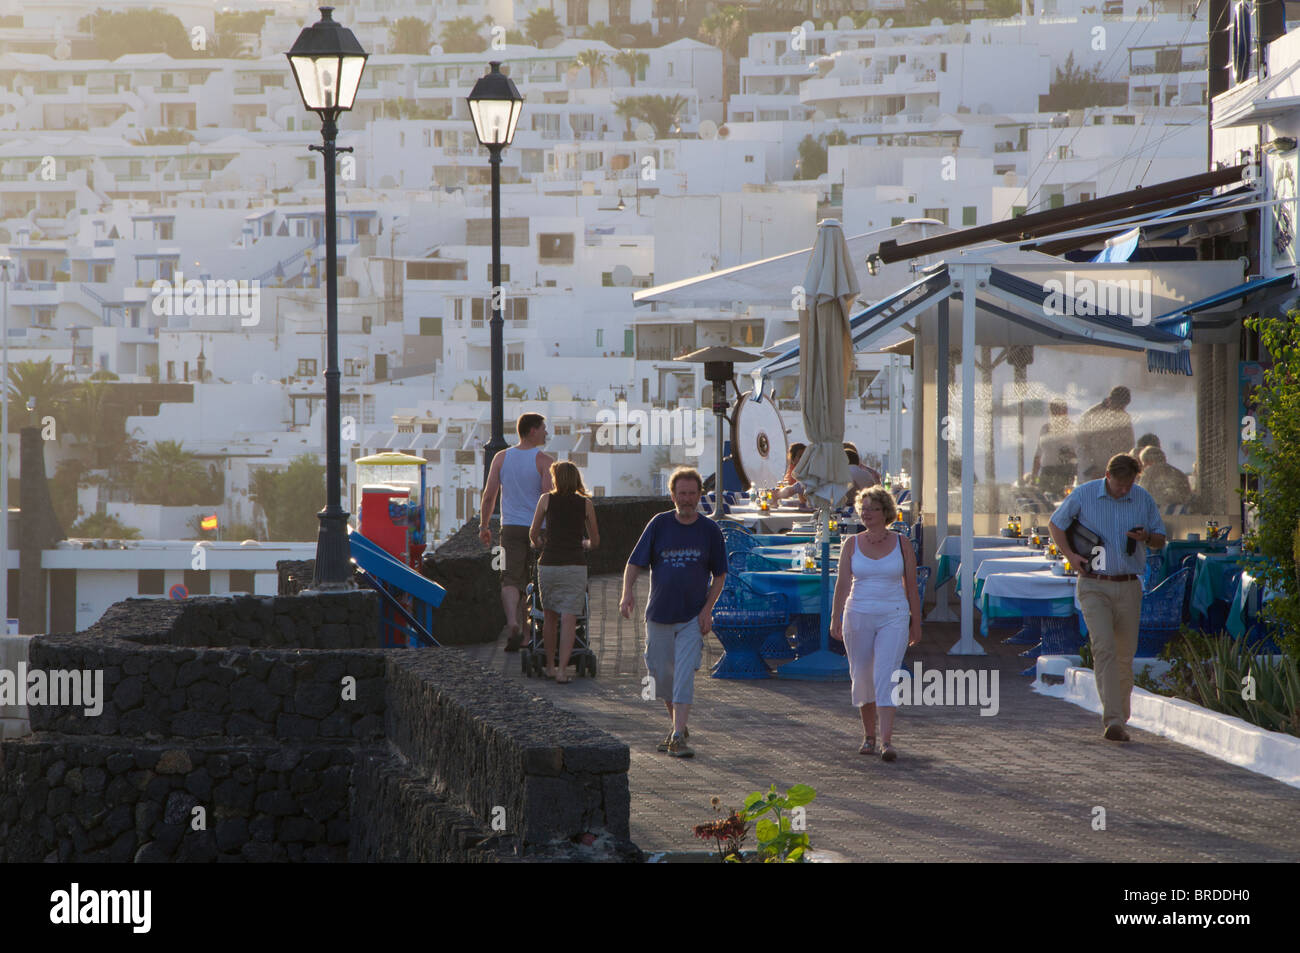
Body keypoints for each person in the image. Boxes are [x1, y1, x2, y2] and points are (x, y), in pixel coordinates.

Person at [1048, 453, 1166, 743]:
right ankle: (1112, 719)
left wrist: (1147, 537)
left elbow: (1161, 539)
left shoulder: (1142, 498)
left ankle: (1120, 718)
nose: (1125, 490)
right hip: (1093, 584)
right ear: (1108, 475)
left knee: (1125, 655)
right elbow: (1056, 523)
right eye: (1120, 484)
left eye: (1130, 484)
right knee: (1104, 648)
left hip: (1128, 585)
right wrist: (1071, 556)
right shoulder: (1085, 494)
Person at [620, 467, 727, 758]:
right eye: (682, 493)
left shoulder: (710, 530)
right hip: (658, 615)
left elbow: (720, 575)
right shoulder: (659, 524)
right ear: (672, 495)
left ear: (699, 495)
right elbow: (634, 562)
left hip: (692, 617)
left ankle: (678, 735)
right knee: (660, 677)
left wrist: (708, 609)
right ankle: (676, 726)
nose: (688, 499)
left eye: (693, 493)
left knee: (683, 676)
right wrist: (626, 592)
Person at [830, 485, 923, 762]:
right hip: (857, 614)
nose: (867, 514)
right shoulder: (852, 543)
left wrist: (915, 623)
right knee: (862, 674)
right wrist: (835, 617)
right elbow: (842, 584)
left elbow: (912, 587)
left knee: (886, 673)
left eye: (873, 509)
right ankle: (868, 736)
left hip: (894, 614)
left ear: (886, 512)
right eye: (864, 509)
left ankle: (886, 740)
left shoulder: (902, 543)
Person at [479, 413, 554, 651]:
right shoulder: (544, 461)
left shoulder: (501, 458)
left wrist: (484, 526)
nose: (546, 432)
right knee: (533, 579)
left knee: (510, 578)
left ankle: (513, 623)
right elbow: (547, 498)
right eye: (543, 428)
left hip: (509, 527)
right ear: (532, 430)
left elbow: (489, 495)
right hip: (537, 528)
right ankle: (527, 635)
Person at [529, 460, 599, 683]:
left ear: (556, 479)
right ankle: (562, 671)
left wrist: (540, 543)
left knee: (549, 616)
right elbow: (595, 540)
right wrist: (585, 544)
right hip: (574, 565)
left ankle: (549, 666)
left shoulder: (546, 499)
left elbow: (533, 534)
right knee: (570, 617)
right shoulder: (585, 504)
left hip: (548, 564)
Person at [1076, 386, 1135, 481]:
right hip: (1094, 474)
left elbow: (1129, 444)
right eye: (1118, 406)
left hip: (1116, 475)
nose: (1120, 409)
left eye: (1123, 407)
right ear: (1111, 400)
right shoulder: (1091, 416)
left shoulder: (1125, 419)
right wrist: (1091, 468)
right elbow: (1081, 444)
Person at [1031, 400, 1077, 496]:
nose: (1056, 414)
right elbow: (1038, 455)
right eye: (1053, 411)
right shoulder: (1045, 429)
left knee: (1061, 499)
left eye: (1058, 410)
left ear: (1065, 411)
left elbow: (1081, 453)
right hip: (1046, 472)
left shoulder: (1073, 429)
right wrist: (1034, 478)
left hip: (1066, 471)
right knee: (1043, 498)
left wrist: (1070, 455)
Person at [1137, 446, 1192, 512]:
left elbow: (1140, 497)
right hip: (1181, 512)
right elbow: (1187, 496)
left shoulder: (1148, 473)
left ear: (1148, 461)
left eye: (1143, 464)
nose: (1143, 467)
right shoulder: (1178, 472)